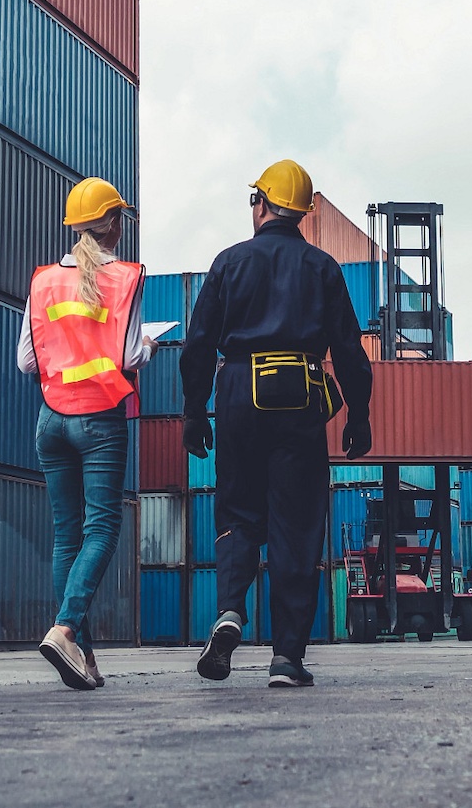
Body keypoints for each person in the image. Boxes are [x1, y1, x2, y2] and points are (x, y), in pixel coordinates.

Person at [180, 159, 374, 688]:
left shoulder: (228, 263)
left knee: (239, 513)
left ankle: (229, 612)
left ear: (260, 204)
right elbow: (350, 351)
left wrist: (195, 412)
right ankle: (287, 657)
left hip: (240, 392)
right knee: (296, 525)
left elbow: (197, 347)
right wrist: (358, 415)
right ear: (304, 214)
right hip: (299, 398)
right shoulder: (323, 267)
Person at [19, 177, 151, 690]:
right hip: (99, 420)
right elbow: (131, 355)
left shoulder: (43, 282)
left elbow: (27, 361)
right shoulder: (123, 279)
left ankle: (84, 658)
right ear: (115, 223)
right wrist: (151, 347)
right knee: (101, 530)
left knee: (66, 536)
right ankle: (67, 627)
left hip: (51, 419)